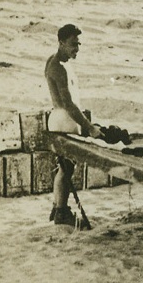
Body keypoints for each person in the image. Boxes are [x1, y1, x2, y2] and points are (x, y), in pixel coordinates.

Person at [45, 23, 101, 226]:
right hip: (63, 120)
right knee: (66, 168)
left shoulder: (55, 61)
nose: (76, 49)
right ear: (60, 43)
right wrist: (89, 127)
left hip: (61, 119)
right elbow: (68, 104)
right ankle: (61, 211)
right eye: (72, 44)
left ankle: (58, 207)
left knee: (65, 168)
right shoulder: (57, 68)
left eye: (78, 44)